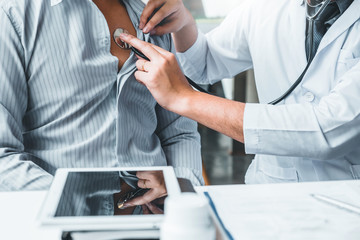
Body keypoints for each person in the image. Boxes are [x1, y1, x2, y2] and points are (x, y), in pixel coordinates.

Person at [119, 0, 360, 187]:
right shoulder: (265, 6)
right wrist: (183, 24)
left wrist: (184, 98)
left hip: (346, 196)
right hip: (269, 193)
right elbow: (205, 63)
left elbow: (327, 129)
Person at [0, 0, 203, 191]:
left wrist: (181, 192)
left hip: (156, 219)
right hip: (55, 222)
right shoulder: (12, 14)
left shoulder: (154, 15)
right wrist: (70, 205)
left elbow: (179, 133)